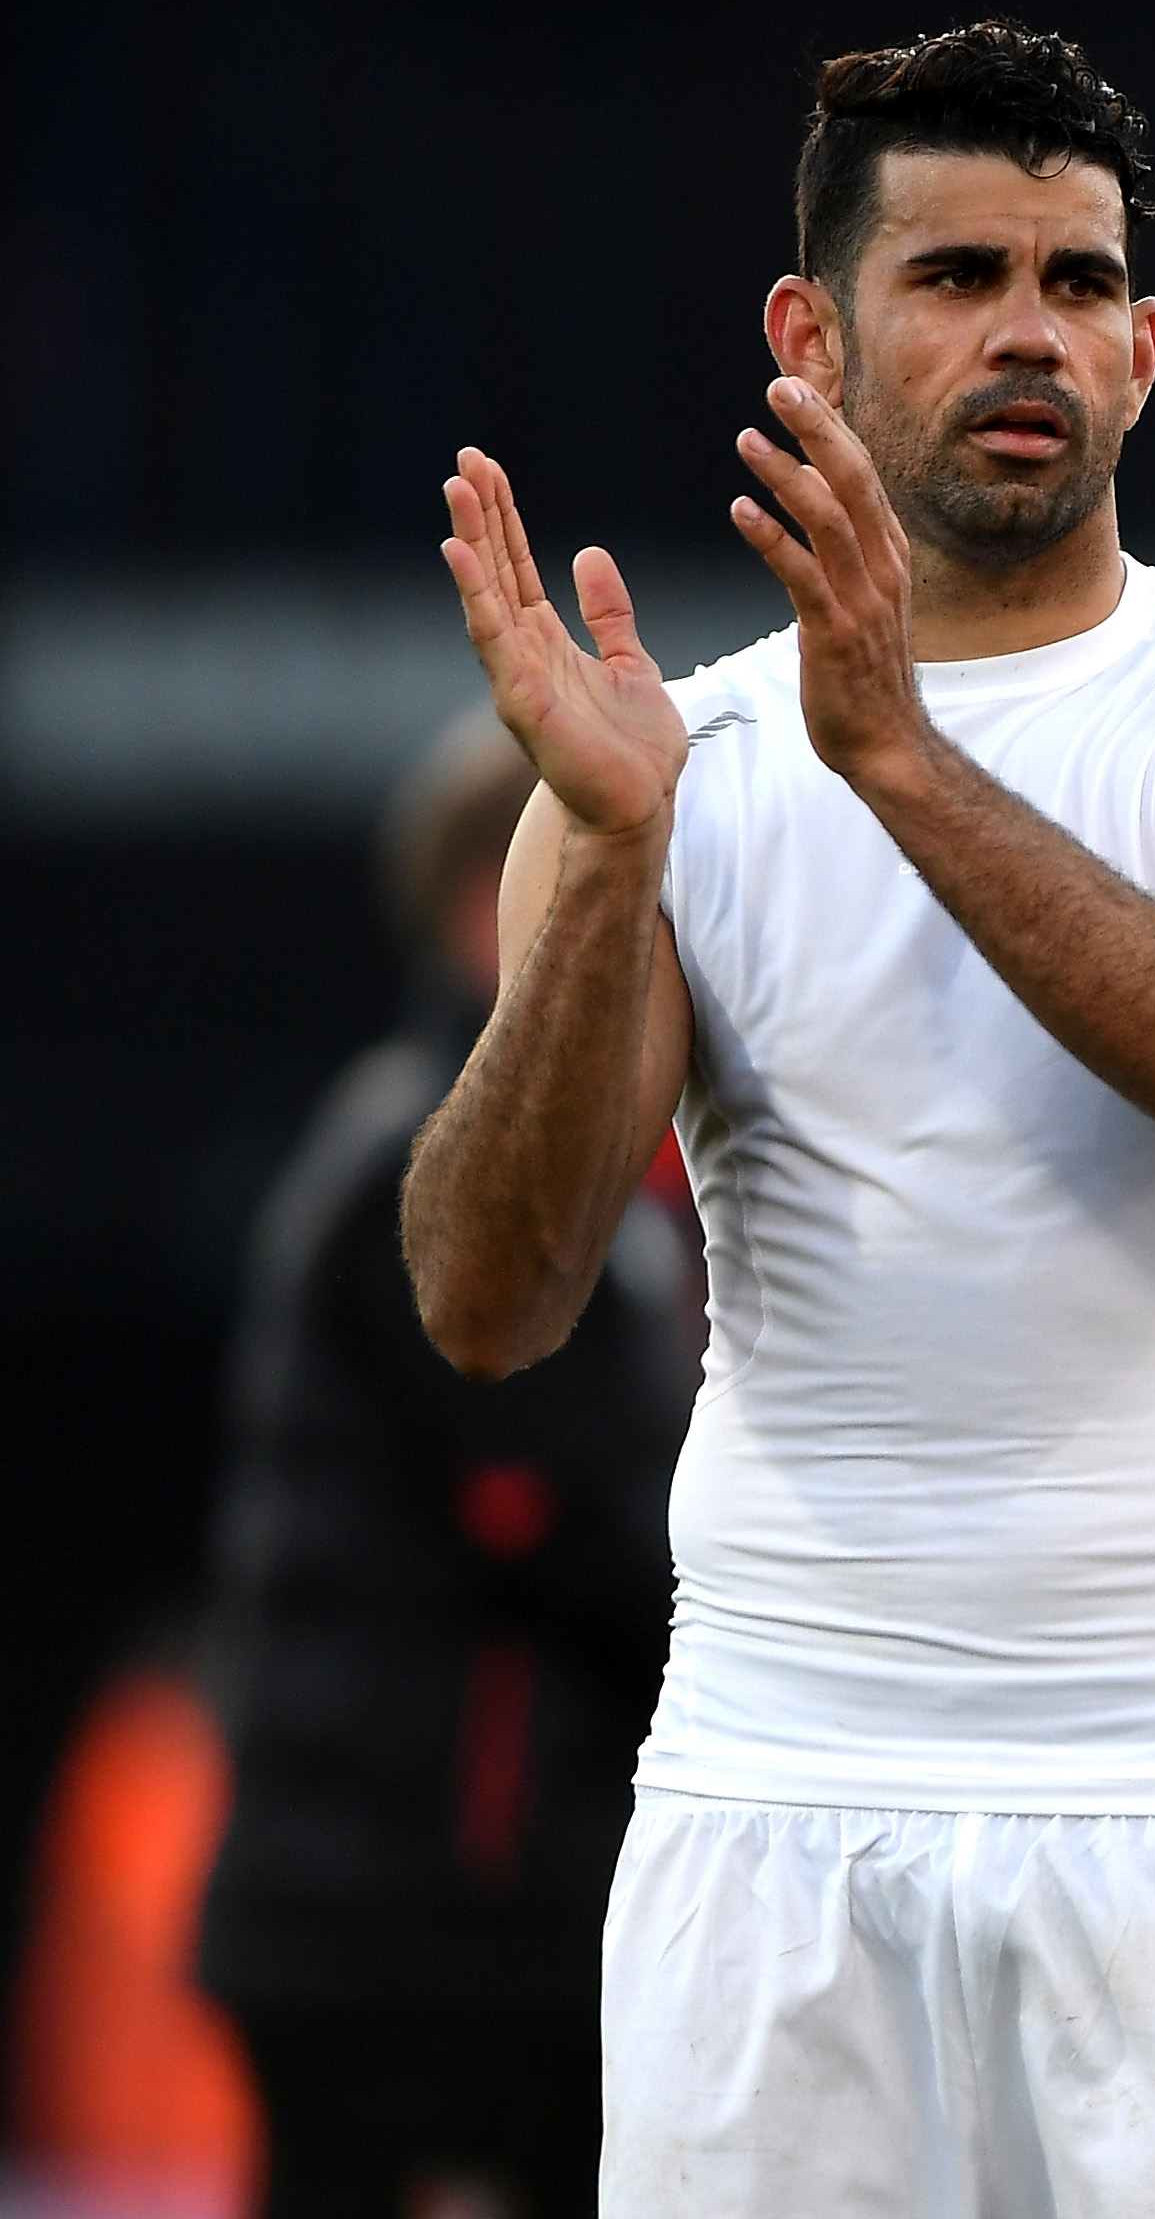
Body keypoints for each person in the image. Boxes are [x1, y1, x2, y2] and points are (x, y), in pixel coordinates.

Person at [400, 21, 1155, 2217]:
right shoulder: (658, 768)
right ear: (811, 331)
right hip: (770, 1804)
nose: (1027, 333)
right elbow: (487, 1303)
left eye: (1078, 286)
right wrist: (601, 864)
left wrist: (900, 756)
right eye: (957, 274)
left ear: (1147, 354)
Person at [199, 707, 693, 2217]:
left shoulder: (463, 1155)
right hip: (422, 1913)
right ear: (498, 895)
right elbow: (558, 1524)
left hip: (429, 1896)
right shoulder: (435, 1177)